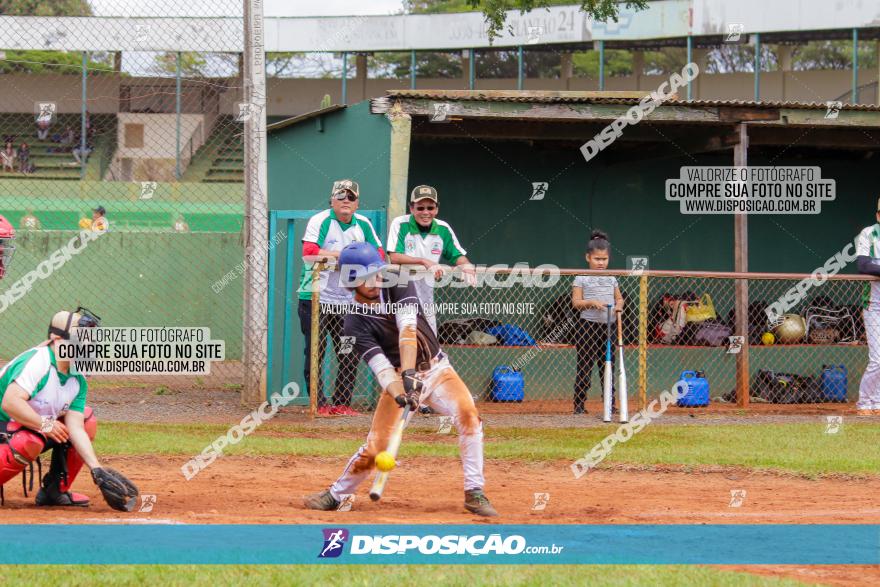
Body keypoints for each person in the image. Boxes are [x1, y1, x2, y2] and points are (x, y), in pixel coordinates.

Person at [304, 242, 497, 517]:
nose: (374, 280)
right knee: (377, 448)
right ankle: (336, 494)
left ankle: (474, 492)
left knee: (469, 416)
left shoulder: (397, 282)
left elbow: (408, 330)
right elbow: (381, 369)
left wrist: (411, 374)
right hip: (395, 377)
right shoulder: (354, 323)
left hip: (436, 368)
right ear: (350, 281)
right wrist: (401, 391)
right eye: (364, 277)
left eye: (375, 273)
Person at [0, 309, 139, 510]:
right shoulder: (39, 362)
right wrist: (45, 424)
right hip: (6, 427)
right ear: (56, 339)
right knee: (29, 440)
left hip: (16, 429)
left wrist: (97, 470)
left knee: (86, 420)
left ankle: (54, 492)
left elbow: (76, 428)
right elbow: (10, 402)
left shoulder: (77, 378)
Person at [297, 179, 385, 416]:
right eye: (341, 196)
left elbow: (378, 254)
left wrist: (362, 261)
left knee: (347, 350)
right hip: (315, 298)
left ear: (357, 203)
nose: (346, 200)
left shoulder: (363, 224)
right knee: (316, 350)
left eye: (351, 197)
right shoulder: (321, 220)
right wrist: (345, 256)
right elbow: (309, 253)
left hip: (347, 302)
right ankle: (319, 403)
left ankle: (342, 403)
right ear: (332, 200)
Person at [386, 185, 474, 334]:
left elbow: (456, 255)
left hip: (426, 297)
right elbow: (394, 256)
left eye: (430, 207)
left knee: (430, 342)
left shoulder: (443, 228)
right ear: (412, 208)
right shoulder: (400, 223)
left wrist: (466, 265)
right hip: (400, 295)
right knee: (402, 340)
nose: (425, 212)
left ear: (436, 209)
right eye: (420, 208)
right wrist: (424, 261)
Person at [571, 230, 624, 415]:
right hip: (587, 326)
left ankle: (610, 404)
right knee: (585, 366)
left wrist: (619, 305)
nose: (601, 263)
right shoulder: (580, 277)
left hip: (608, 327)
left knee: (607, 366)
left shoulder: (612, 277)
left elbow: (620, 298)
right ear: (588, 257)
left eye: (604, 259)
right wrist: (591, 302)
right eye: (597, 259)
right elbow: (576, 302)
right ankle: (578, 405)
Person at [855, 200, 880, 416]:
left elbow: (875, 265)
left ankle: (877, 401)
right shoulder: (869, 234)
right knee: (877, 358)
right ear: (878, 215)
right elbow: (864, 265)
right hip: (874, 305)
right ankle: (864, 402)